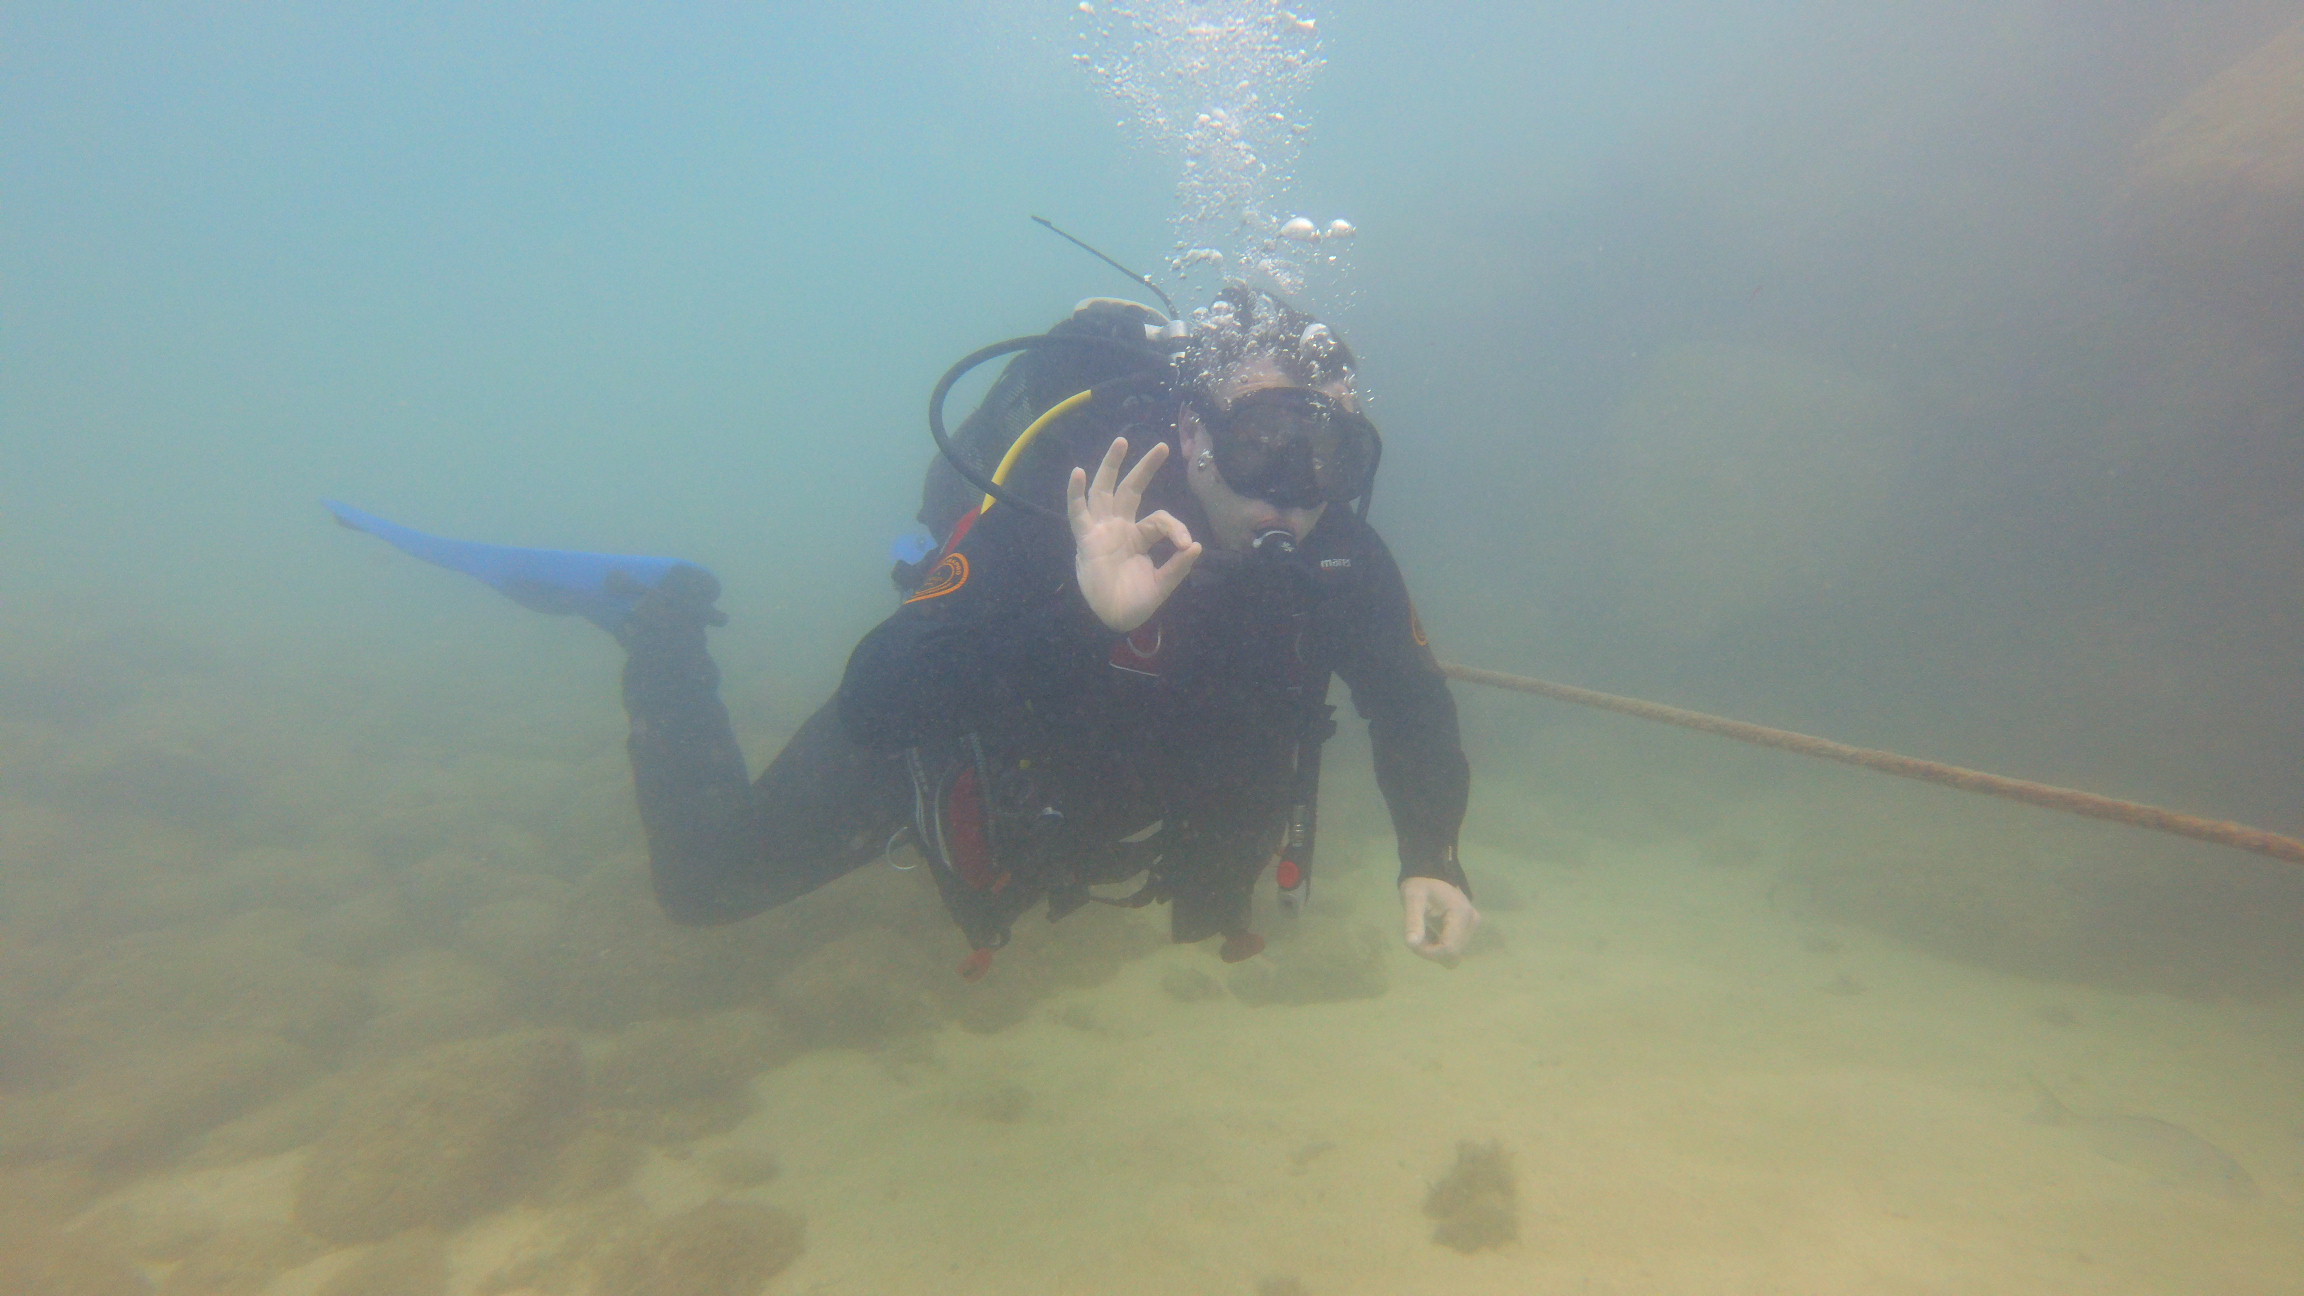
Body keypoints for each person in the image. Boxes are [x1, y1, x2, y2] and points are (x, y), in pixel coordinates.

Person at [609, 287, 1477, 973]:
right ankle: (660, 625)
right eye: (1261, 442)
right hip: (957, 753)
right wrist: (1081, 616)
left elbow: (1409, 698)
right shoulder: (1072, 505)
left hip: (1091, 813)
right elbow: (876, 702)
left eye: (1328, 454)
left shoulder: (1338, 555)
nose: (1293, 487)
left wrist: (1432, 854)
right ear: (1193, 432)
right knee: (703, 885)